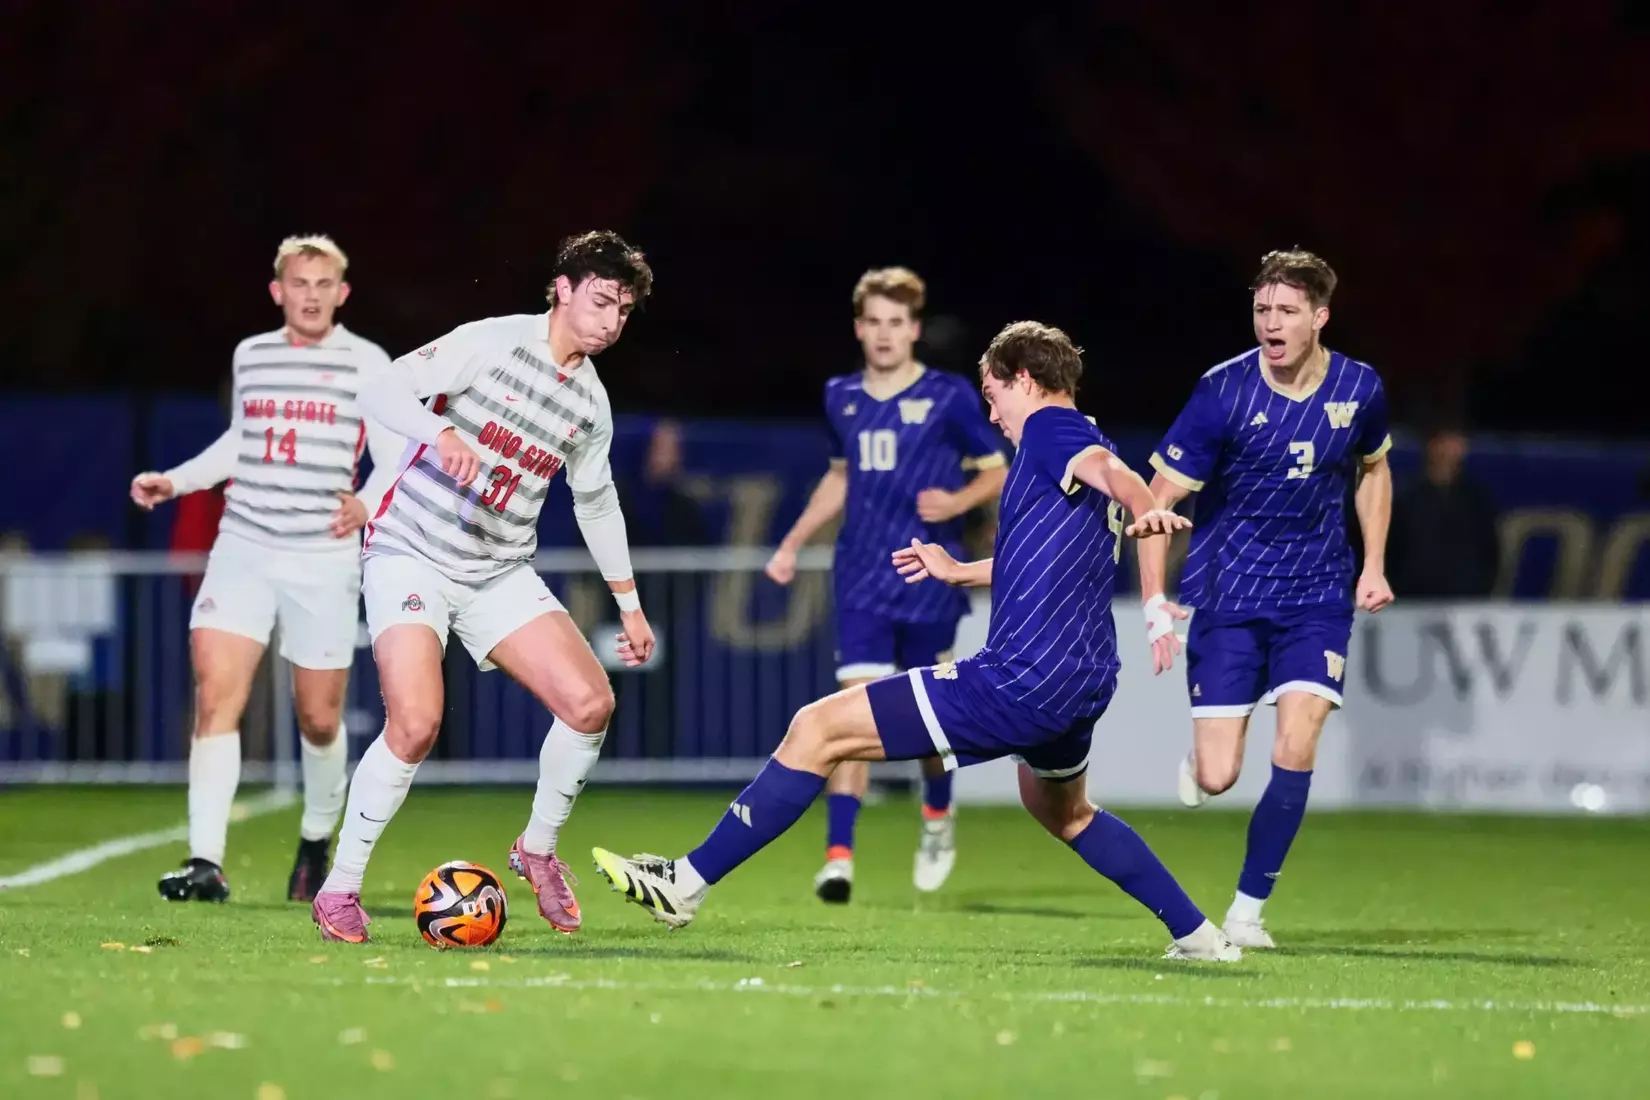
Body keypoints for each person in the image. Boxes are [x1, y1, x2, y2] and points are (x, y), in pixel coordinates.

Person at [591, 321, 1241, 962]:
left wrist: (1143, 502)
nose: (992, 414)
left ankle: (685, 883)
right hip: (1082, 678)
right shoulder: (1073, 438)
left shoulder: (1051, 427)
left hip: (1020, 677)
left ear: (1024, 380)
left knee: (815, 729)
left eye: (992, 395)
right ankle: (1199, 935)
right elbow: (1047, 555)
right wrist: (963, 570)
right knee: (1065, 813)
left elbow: (1115, 474)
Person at [309, 231, 657, 944]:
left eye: (622, 311)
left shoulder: (590, 404)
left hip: (497, 570)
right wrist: (438, 432)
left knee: (591, 704)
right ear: (561, 288)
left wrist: (629, 602)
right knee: (415, 723)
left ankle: (535, 849)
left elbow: (595, 502)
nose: (609, 322)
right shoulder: (493, 342)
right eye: (600, 301)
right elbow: (380, 388)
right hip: (410, 552)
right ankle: (339, 889)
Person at [129, 235, 405, 904]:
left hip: (322, 556)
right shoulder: (251, 356)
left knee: (318, 717)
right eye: (297, 283)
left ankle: (315, 842)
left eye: (323, 284)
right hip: (244, 548)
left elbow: (399, 452)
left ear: (342, 293)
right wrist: (178, 480)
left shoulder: (369, 363)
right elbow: (240, 442)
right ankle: (205, 863)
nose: (310, 295)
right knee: (216, 696)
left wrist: (366, 503)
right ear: (278, 290)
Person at [1138, 249, 1395, 949]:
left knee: (1297, 741)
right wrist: (1156, 597)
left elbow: (1374, 471)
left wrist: (1372, 564)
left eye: (1285, 312)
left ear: (1319, 317)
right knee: (1221, 776)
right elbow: (1160, 499)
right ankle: (1200, 763)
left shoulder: (1360, 387)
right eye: (1261, 310)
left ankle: (1248, 912)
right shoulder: (1221, 392)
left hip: (1316, 595)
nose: (1270, 325)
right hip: (1228, 595)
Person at [764, 267, 1006, 903]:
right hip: (863, 578)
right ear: (858, 327)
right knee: (849, 713)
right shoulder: (840, 395)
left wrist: (955, 503)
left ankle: (936, 815)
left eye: (896, 322)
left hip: (928, 575)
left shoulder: (950, 394)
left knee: (932, 720)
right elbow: (840, 478)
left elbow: (998, 470)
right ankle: (839, 858)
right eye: (873, 321)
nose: (884, 333)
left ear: (915, 329)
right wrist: (792, 541)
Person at [1388, 421, 1499, 597]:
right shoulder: (1405, 499)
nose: (1453, 449)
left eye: (1457, 441)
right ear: (1432, 446)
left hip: (1464, 602)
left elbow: (1489, 553)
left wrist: (1478, 589)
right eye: (1446, 441)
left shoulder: (1476, 500)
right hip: (1411, 603)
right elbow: (1391, 552)